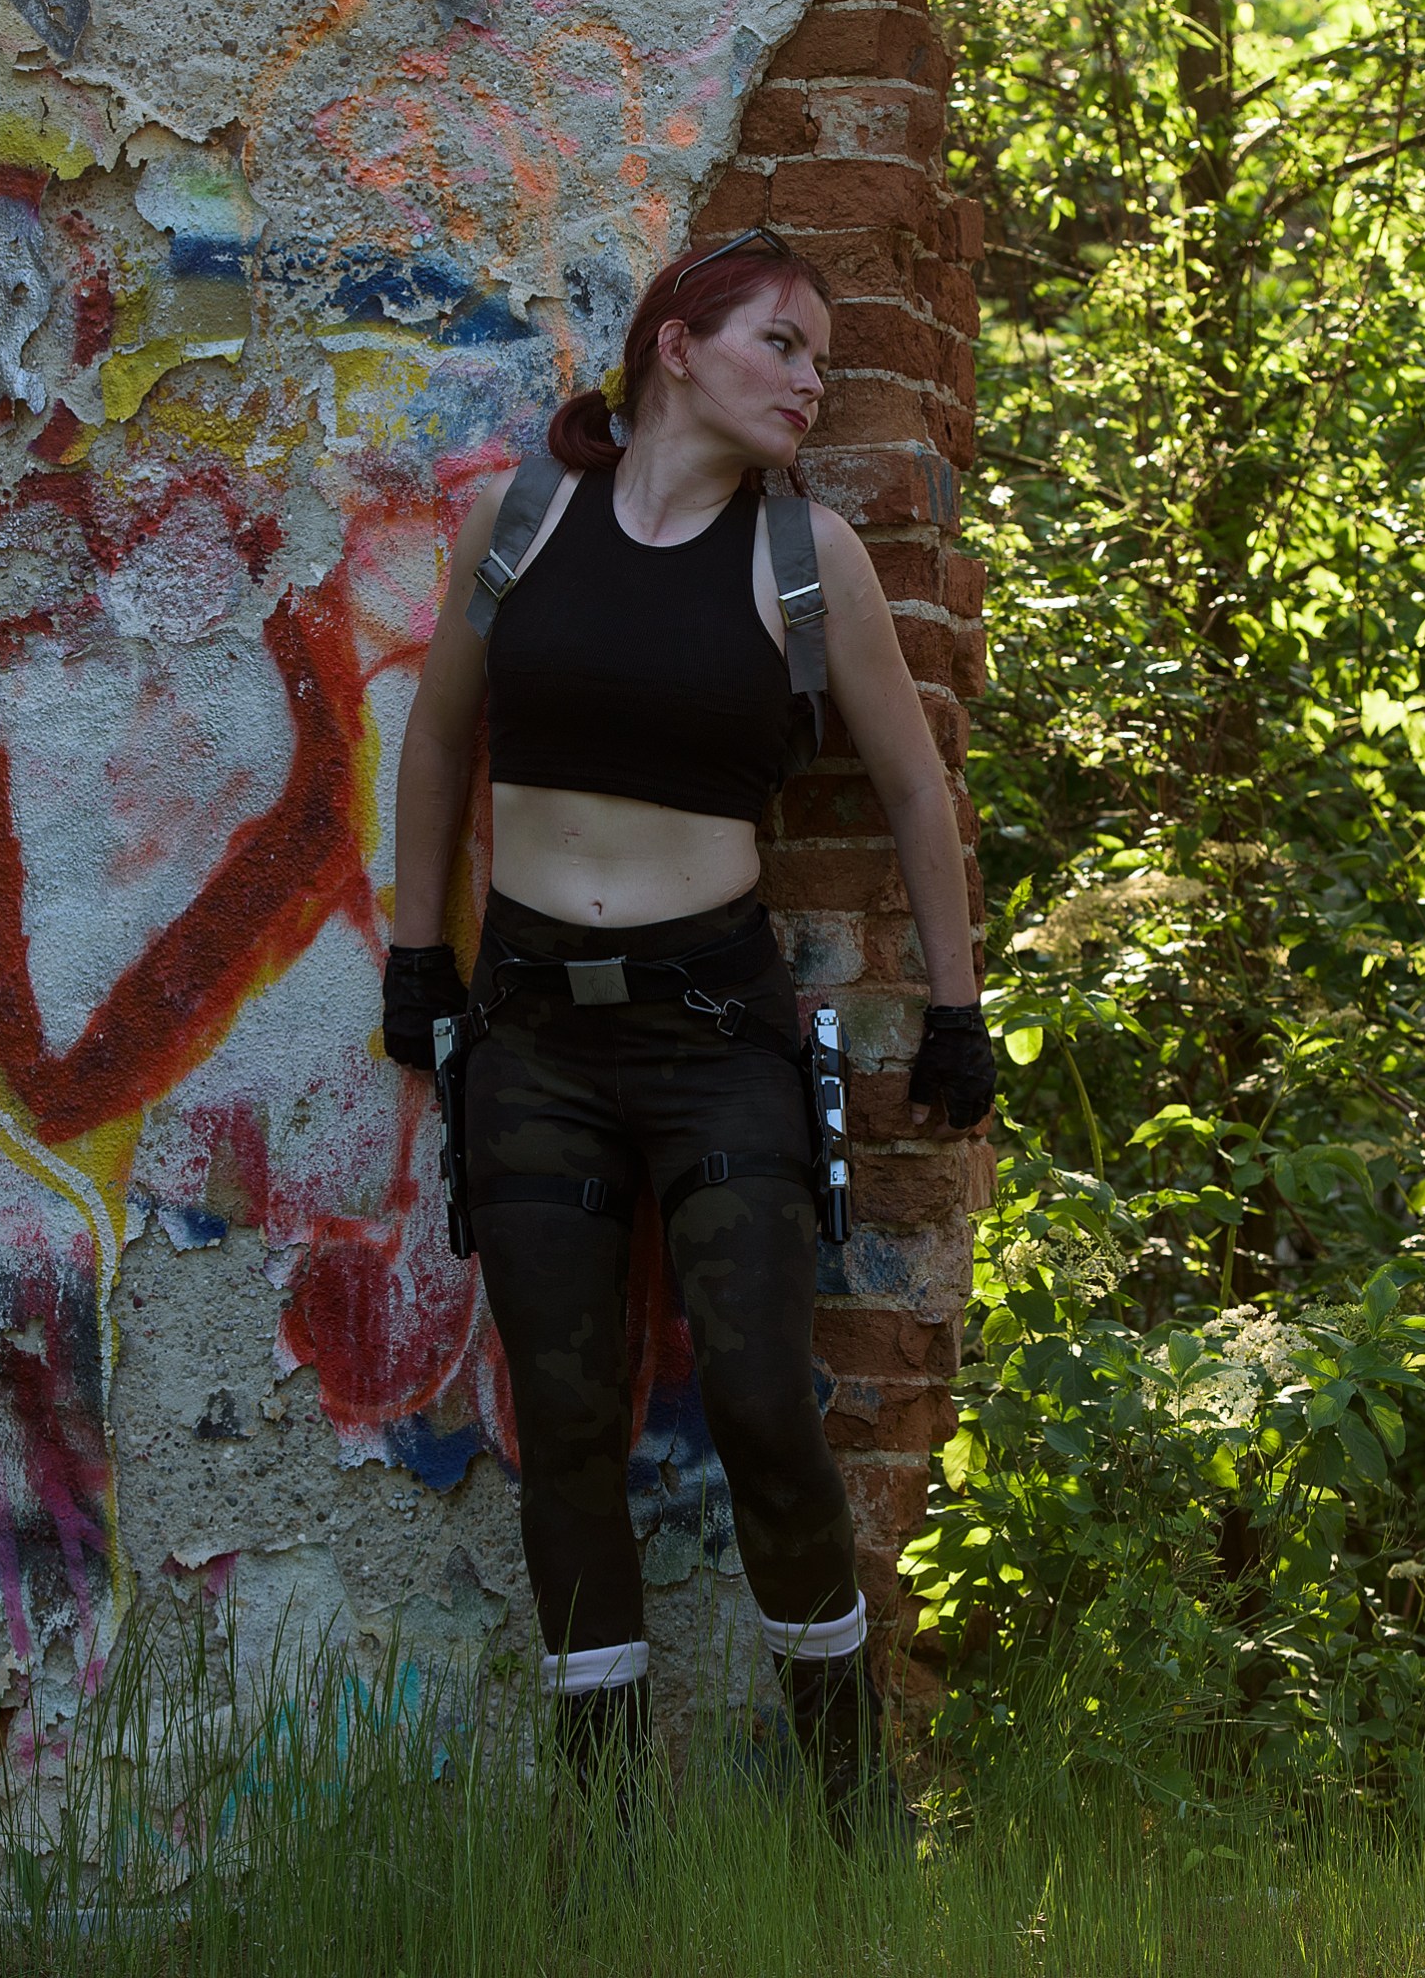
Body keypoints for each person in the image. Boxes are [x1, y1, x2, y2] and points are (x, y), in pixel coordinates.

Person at [379, 228, 995, 1837]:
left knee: (764, 1404)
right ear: (676, 345)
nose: (811, 382)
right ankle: (609, 1838)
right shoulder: (520, 520)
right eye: (782, 344)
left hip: (720, 1042)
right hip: (531, 1045)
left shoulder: (806, 557)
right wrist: (415, 955)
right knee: (570, 1426)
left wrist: (956, 1009)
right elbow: (437, 742)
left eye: (824, 360)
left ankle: (852, 1812)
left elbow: (916, 790)